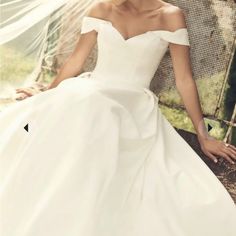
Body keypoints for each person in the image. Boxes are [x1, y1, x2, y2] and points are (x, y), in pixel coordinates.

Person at [1, 0, 236, 235]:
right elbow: (76, 60)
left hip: (132, 103)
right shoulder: (101, 8)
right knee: (84, 102)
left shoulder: (170, 15)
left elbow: (184, 79)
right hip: (90, 91)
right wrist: (49, 95)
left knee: (96, 105)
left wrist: (203, 135)